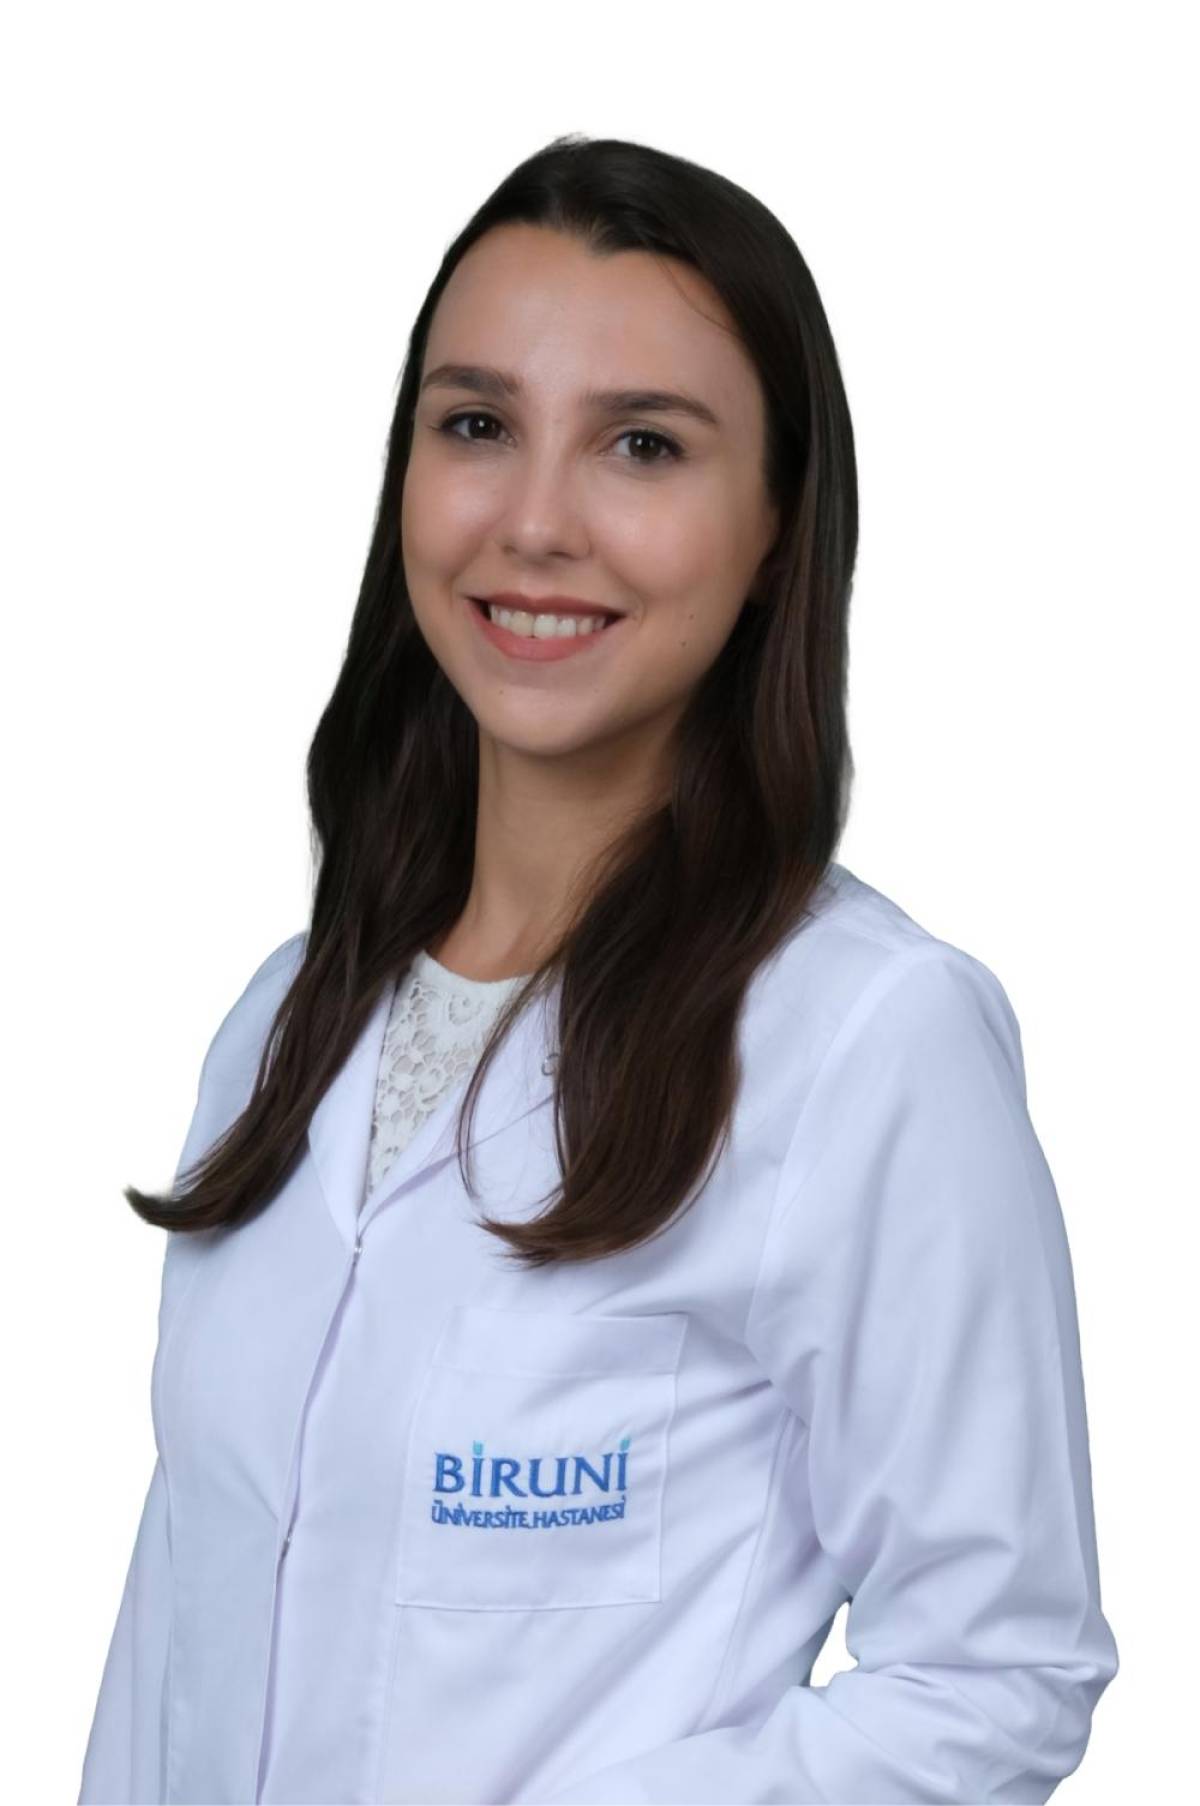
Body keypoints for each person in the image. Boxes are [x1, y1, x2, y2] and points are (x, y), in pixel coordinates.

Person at [79, 133, 1118, 1805]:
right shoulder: (286, 1018)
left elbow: (995, 1672)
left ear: (776, 529)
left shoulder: (868, 1043)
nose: (536, 521)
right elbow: (181, 1616)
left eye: (643, 444)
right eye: (477, 425)